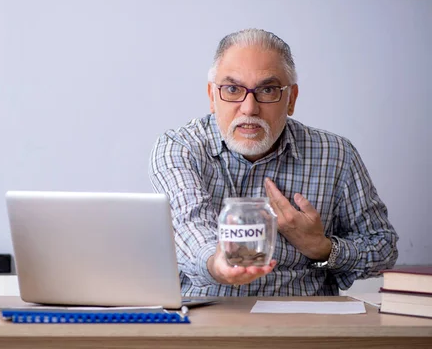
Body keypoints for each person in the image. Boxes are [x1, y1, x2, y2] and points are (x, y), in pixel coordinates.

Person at [149, 29, 398, 296]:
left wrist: (322, 248)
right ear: (212, 96)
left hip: (302, 325)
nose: (249, 108)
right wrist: (217, 263)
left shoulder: (337, 155)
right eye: (232, 89)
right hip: (207, 320)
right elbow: (190, 224)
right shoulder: (180, 148)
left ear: (291, 99)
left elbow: (383, 248)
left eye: (267, 90)